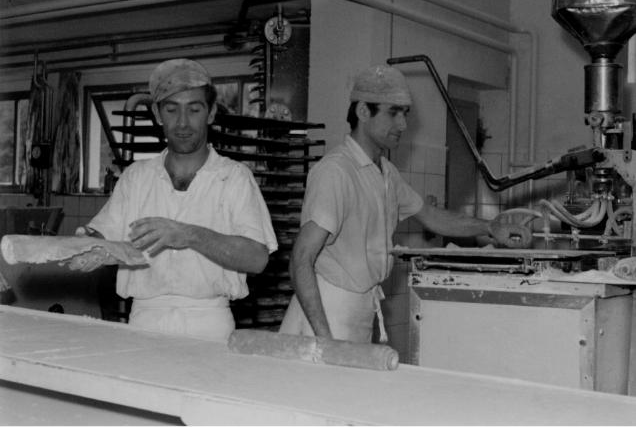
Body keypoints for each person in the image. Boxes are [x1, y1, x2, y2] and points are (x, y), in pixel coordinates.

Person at [279, 65, 532, 344]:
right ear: (363, 111)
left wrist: (491, 228)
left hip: (358, 314)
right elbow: (300, 259)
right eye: (393, 112)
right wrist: (324, 339)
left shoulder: (385, 172)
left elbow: (431, 216)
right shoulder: (335, 172)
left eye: (405, 114)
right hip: (322, 317)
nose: (403, 125)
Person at [68, 58, 278, 340]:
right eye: (172, 109)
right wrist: (85, 244)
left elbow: (257, 258)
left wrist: (188, 235)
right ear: (157, 114)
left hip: (209, 323)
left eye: (194, 109)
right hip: (144, 320)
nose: (182, 122)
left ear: (211, 113)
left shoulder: (234, 178)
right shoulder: (136, 178)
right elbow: (104, 237)